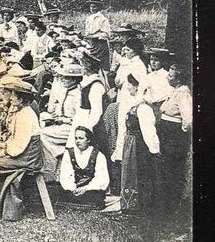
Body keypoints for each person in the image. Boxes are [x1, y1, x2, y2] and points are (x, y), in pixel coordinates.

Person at [0, 79, 44, 221]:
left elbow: (19, 147)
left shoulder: (26, 115)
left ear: (21, 99)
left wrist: (2, 152)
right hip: (22, 153)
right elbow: (15, 140)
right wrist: (1, 147)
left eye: (14, 95)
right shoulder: (20, 112)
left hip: (28, 158)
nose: (11, 98)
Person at [102, 74, 162, 214]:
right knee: (131, 172)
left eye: (130, 84)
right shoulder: (134, 103)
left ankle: (140, 205)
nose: (127, 87)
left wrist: (154, 149)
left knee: (139, 173)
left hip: (139, 145)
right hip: (131, 143)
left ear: (137, 87)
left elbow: (149, 132)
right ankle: (130, 203)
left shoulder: (143, 108)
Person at [156, 63, 192, 213]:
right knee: (165, 168)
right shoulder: (174, 91)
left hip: (174, 136)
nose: (167, 77)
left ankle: (173, 205)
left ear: (178, 79)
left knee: (173, 169)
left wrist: (179, 133)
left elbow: (188, 119)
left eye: (170, 75)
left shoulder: (183, 93)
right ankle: (165, 203)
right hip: (167, 134)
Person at [38, 62, 83, 179]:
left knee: (43, 135)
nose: (62, 79)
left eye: (66, 78)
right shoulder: (65, 91)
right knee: (42, 122)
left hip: (72, 127)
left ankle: (50, 168)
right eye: (62, 77)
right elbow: (59, 107)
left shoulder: (78, 95)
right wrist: (55, 114)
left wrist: (63, 120)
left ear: (74, 80)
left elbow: (80, 118)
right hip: (62, 123)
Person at [59, 126, 110, 209]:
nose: (78, 141)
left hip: (90, 189)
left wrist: (86, 188)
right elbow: (66, 175)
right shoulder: (69, 153)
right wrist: (72, 189)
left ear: (88, 140)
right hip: (74, 189)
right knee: (64, 194)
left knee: (94, 196)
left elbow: (101, 178)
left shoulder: (98, 155)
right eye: (76, 138)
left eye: (81, 138)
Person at [84, 0, 113, 71]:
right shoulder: (88, 18)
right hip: (91, 44)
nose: (92, 8)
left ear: (99, 7)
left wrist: (95, 36)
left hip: (100, 45)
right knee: (90, 62)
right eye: (91, 6)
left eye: (94, 7)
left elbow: (106, 34)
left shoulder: (103, 19)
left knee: (101, 64)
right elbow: (87, 31)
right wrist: (87, 35)